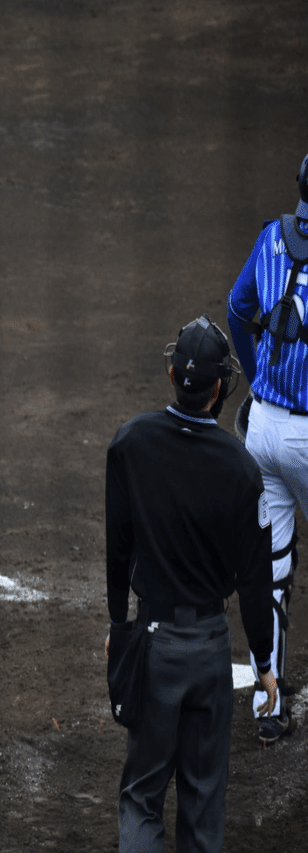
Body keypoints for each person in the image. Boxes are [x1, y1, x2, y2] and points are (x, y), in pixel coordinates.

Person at [105, 314, 277, 853]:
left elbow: (118, 546)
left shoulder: (131, 444)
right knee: (203, 807)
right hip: (209, 651)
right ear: (221, 389)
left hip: (153, 644)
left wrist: (118, 624)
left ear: (172, 375)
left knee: (141, 798)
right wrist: (264, 662)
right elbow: (256, 581)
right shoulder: (241, 469)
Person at [227, 152, 308, 743]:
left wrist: (259, 380)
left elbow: (237, 309)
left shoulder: (272, 237)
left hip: (261, 431)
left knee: (272, 567)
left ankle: (270, 709)